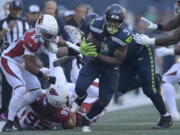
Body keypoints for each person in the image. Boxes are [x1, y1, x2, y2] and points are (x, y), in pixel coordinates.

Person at [0, 14, 87, 132]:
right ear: (40, 30)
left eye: (52, 35)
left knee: (36, 92)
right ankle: (8, 123)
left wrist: (77, 49)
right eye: (48, 35)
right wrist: (45, 76)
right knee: (20, 88)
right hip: (9, 60)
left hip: (21, 62)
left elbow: (60, 42)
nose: (50, 38)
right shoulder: (32, 40)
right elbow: (29, 66)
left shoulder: (46, 35)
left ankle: (13, 113)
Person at [71, 4, 132, 132]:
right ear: (105, 18)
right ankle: (81, 97)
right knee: (80, 87)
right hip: (95, 62)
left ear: (122, 22)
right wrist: (84, 43)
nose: (113, 24)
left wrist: (96, 55)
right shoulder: (96, 23)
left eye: (117, 21)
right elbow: (89, 37)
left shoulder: (125, 35)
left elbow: (117, 60)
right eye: (111, 20)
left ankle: (87, 120)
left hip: (111, 66)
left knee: (104, 99)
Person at [0, 0, 29, 120]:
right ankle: (4, 110)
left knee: (23, 84)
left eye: (19, 9)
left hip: (21, 58)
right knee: (7, 85)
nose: (16, 11)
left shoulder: (25, 23)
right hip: (6, 58)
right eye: (14, 9)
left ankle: (19, 110)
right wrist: (7, 29)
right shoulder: (2, 22)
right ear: (10, 9)